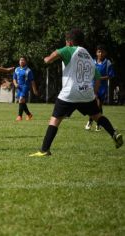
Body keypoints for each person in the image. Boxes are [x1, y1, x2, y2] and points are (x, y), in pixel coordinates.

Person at [30, 29, 123, 157]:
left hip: (70, 93)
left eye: (66, 41)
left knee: (55, 120)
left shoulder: (68, 49)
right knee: (97, 116)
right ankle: (113, 133)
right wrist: (94, 94)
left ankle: (44, 150)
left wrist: (46, 58)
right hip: (86, 93)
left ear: (70, 42)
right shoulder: (89, 56)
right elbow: (97, 77)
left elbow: (48, 60)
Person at [85, 45, 115, 131]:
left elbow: (110, 76)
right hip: (92, 86)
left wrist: (99, 78)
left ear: (105, 53)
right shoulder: (92, 62)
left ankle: (96, 123)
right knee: (96, 104)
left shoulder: (108, 62)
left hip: (102, 88)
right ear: (96, 53)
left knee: (99, 106)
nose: (100, 53)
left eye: (102, 52)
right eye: (99, 51)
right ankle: (92, 122)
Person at [13, 56, 39, 121]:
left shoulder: (28, 70)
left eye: (23, 60)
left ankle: (19, 116)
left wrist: (34, 90)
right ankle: (29, 114)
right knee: (22, 102)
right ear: (19, 62)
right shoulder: (16, 69)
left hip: (25, 86)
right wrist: (15, 84)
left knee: (21, 99)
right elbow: (14, 78)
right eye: (20, 60)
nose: (21, 61)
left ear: (25, 61)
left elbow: (32, 81)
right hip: (19, 87)